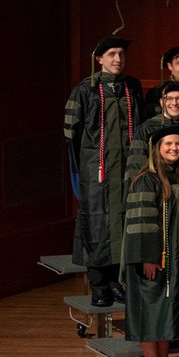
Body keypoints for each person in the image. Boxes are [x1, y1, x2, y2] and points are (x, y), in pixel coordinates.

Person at [64, 36, 144, 307]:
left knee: (122, 222)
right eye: (111, 54)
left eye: (121, 53)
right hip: (95, 169)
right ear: (99, 59)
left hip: (125, 168)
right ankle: (98, 285)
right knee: (96, 224)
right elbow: (71, 134)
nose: (117, 59)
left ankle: (116, 281)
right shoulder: (84, 90)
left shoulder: (131, 87)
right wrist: (86, 165)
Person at [122, 124, 179, 357]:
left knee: (164, 310)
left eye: (178, 144)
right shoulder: (147, 179)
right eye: (168, 144)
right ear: (156, 149)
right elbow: (140, 225)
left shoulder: (177, 177)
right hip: (152, 259)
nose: (174, 148)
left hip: (171, 258)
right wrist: (148, 258)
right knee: (149, 310)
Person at [126, 81, 179, 186]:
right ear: (161, 102)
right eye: (169, 98)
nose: (174, 103)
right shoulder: (147, 129)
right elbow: (135, 168)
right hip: (157, 190)